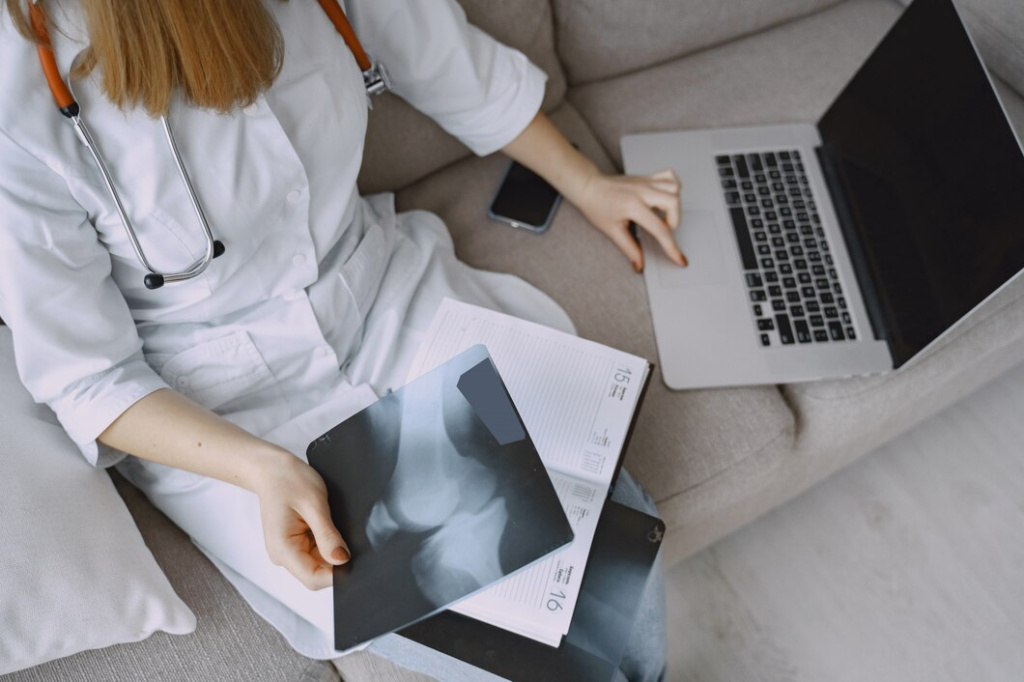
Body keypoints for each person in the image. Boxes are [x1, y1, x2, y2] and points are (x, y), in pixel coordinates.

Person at [0, 1, 684, 679]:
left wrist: (588, 182)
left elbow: (449, 63)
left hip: (386, 298)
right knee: (525, 658)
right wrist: (260, 468)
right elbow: (88, 378)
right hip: (223, 410)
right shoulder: (17, 101)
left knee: (620, 551)